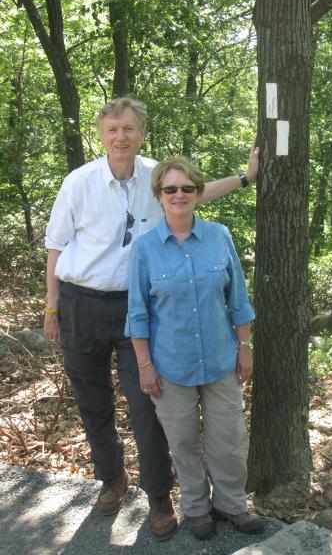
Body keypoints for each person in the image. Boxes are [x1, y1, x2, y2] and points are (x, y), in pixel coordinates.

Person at [44, 97, 258, 541]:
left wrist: (244, 178)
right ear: (100, 134)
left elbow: (193, 191)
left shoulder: (155, 176)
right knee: (92, 401)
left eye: (129, 128)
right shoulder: (78, 182)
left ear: (141, 133)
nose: (120, 136)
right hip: (82, 302)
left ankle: (158, 496)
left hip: (138, 306)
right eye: (112, 129)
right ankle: (111, 477)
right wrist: (52, 306)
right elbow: (56, 246)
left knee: (148, 405)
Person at [125, 157, 264, 541]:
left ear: (198, 193)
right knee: (183, 444)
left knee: (229, 441)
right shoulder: (145, 249)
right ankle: (197, 508)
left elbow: (239, 299)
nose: (179, 195)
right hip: (170, 367)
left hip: (221, 361)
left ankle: (232, 505)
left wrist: (245, 347)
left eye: (187, 188)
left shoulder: (220, 236)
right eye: (171, 189)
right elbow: (137, 315)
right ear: (159, 195)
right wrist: (145, 365)